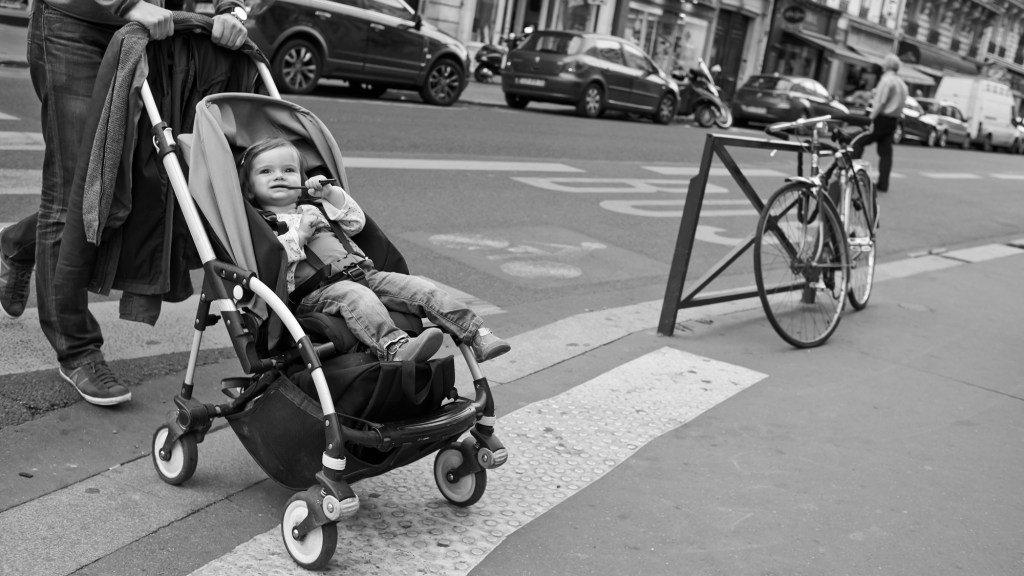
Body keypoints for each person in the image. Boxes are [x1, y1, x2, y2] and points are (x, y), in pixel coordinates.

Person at [0, 0, 248, 406]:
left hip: (158, 32)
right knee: (74, 189)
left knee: (130, 180)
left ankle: (19, 244)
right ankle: (76, 349)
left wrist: (231, 9)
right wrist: (126, 3)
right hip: (77, 25)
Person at [240, 137, 511, 364]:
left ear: (302, 179)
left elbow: (355, 223)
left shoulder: (314, 208)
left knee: (421, 288)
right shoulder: (262, 225)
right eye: (266, 172)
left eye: (288, 170)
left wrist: (330, 194)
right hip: (317, 292)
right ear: (249, 189)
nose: (279, 176)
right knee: (356, 296)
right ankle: (395, 347)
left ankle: (477, 333)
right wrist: (299, 236)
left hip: (364, 273)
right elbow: (272, 265)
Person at [852, 53, 908, 194]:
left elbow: (881, 103)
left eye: (884, 62)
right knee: (885, 152)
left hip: (881, 119)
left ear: (887, 65)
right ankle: (883, 183)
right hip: (893, 121)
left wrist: (869, 119)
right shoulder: (902, 84)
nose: (882, 65)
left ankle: (851, 174)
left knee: (858, 142)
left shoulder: (887, 80)